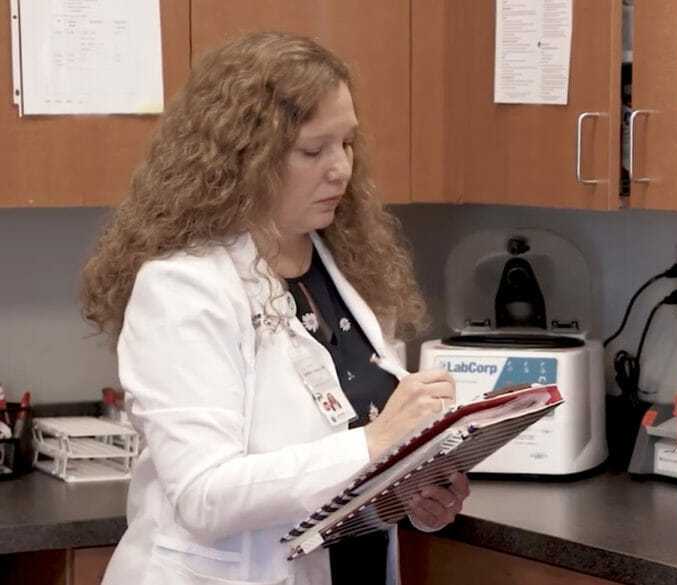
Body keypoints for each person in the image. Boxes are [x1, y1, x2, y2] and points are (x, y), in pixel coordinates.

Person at [80, 31, 469, 585]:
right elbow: (205, 496)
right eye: (313, 150)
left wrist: (410, 493)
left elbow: (347, 462)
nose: (341, 169)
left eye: (347, 143)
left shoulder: (346, 269)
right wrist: (375, 442)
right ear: (245, 158)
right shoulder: (184, 286)